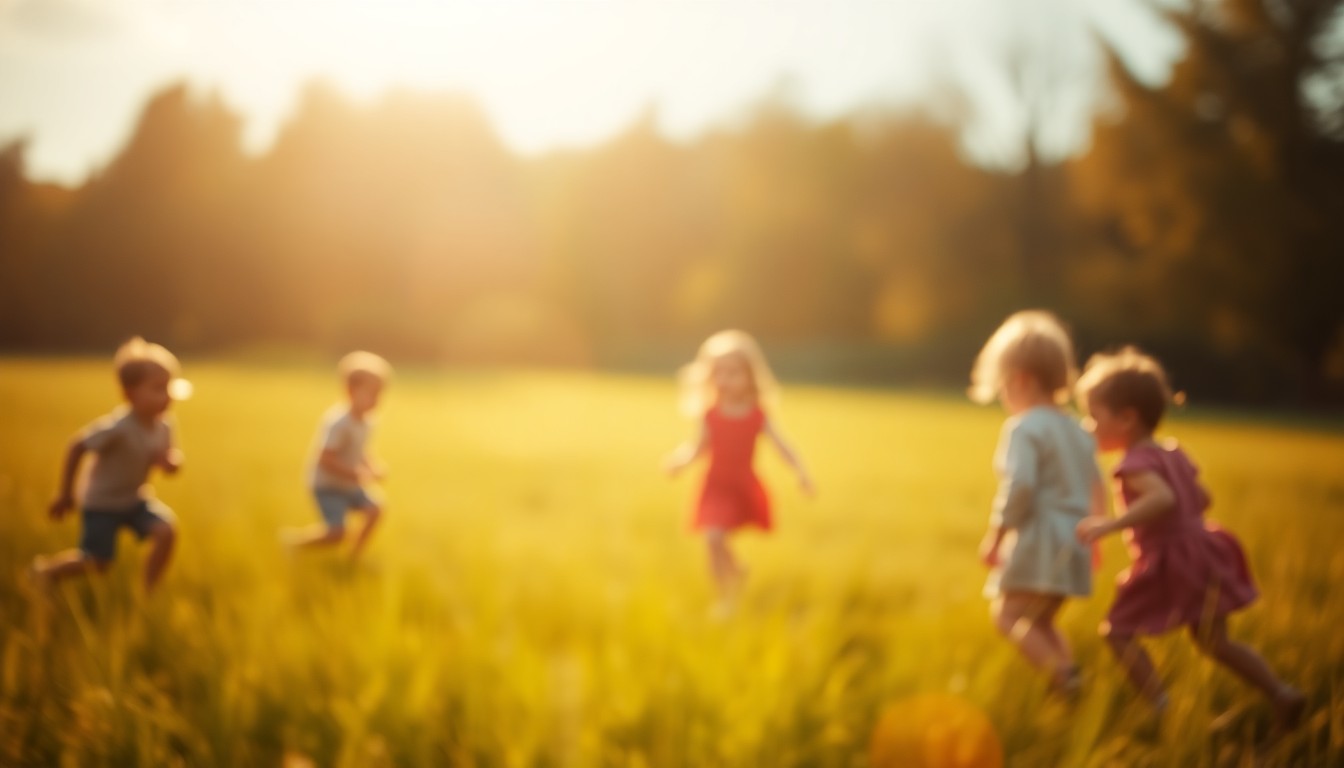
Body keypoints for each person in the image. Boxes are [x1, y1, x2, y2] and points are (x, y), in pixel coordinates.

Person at [1075, 347, 1305, 731]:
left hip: (1170, 558)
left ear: (1127, 418)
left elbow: (1163, 498)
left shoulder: (1132, 464)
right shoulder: (1173, 452)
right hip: (1203, 549)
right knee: (1216, 642)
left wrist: (1111, 525)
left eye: (1094, 416)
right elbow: (1202, 498)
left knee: (1116, 632)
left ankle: (1163, 709)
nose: (1088, 426)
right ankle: (1281, 693)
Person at [969, 310, 1104, 697]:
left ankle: (1063, 680)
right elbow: (1096, 485)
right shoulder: (1078, 430)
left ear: (1021, 380)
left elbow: (1021, 486)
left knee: (1007, 615)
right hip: (1075, 539)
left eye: (1003, 386)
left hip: (1040, 538)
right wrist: (1096, 536)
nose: (1003, 397)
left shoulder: (1023, 427)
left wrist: (996, 536)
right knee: (1042, 622)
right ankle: (1070, 681)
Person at [665, 330, 814, 613]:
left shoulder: (757, 414)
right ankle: (726, 595)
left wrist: (801, 472)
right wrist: (679, 461)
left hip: (741, 486)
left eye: (733, 372)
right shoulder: (710, 413)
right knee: (713, 538)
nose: (724, 379)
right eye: (718, 373)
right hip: (715, 486)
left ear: (750, 376)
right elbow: (698, 447)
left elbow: (782, 446)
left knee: (717, 539)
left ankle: (734, 580)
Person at [32, 337, 192, 594]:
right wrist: (65, 493)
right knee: (98, 562)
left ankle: (147, 593)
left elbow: (171, 458)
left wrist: (171, 463)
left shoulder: (164, 424)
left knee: (166, 531)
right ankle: (47, 572)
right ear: (129, 394)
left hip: (135, 499)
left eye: (169, 387)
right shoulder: (118, 428)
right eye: (158, 388)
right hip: (102, 504)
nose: (167, 396)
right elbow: (77, 446)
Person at [282, 351, 391, 562]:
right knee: (336, 533)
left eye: (380, 394)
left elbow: (360, 450)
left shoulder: (367, 421)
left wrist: (373, 466)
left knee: (376, 510)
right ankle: (294, 545)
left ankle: (354, 556)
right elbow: (325, 458)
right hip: (328, 486)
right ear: (350, 391)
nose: (377, 400)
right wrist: (354, 474)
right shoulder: (339, 423)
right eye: (372, 393)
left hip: (349, 484)